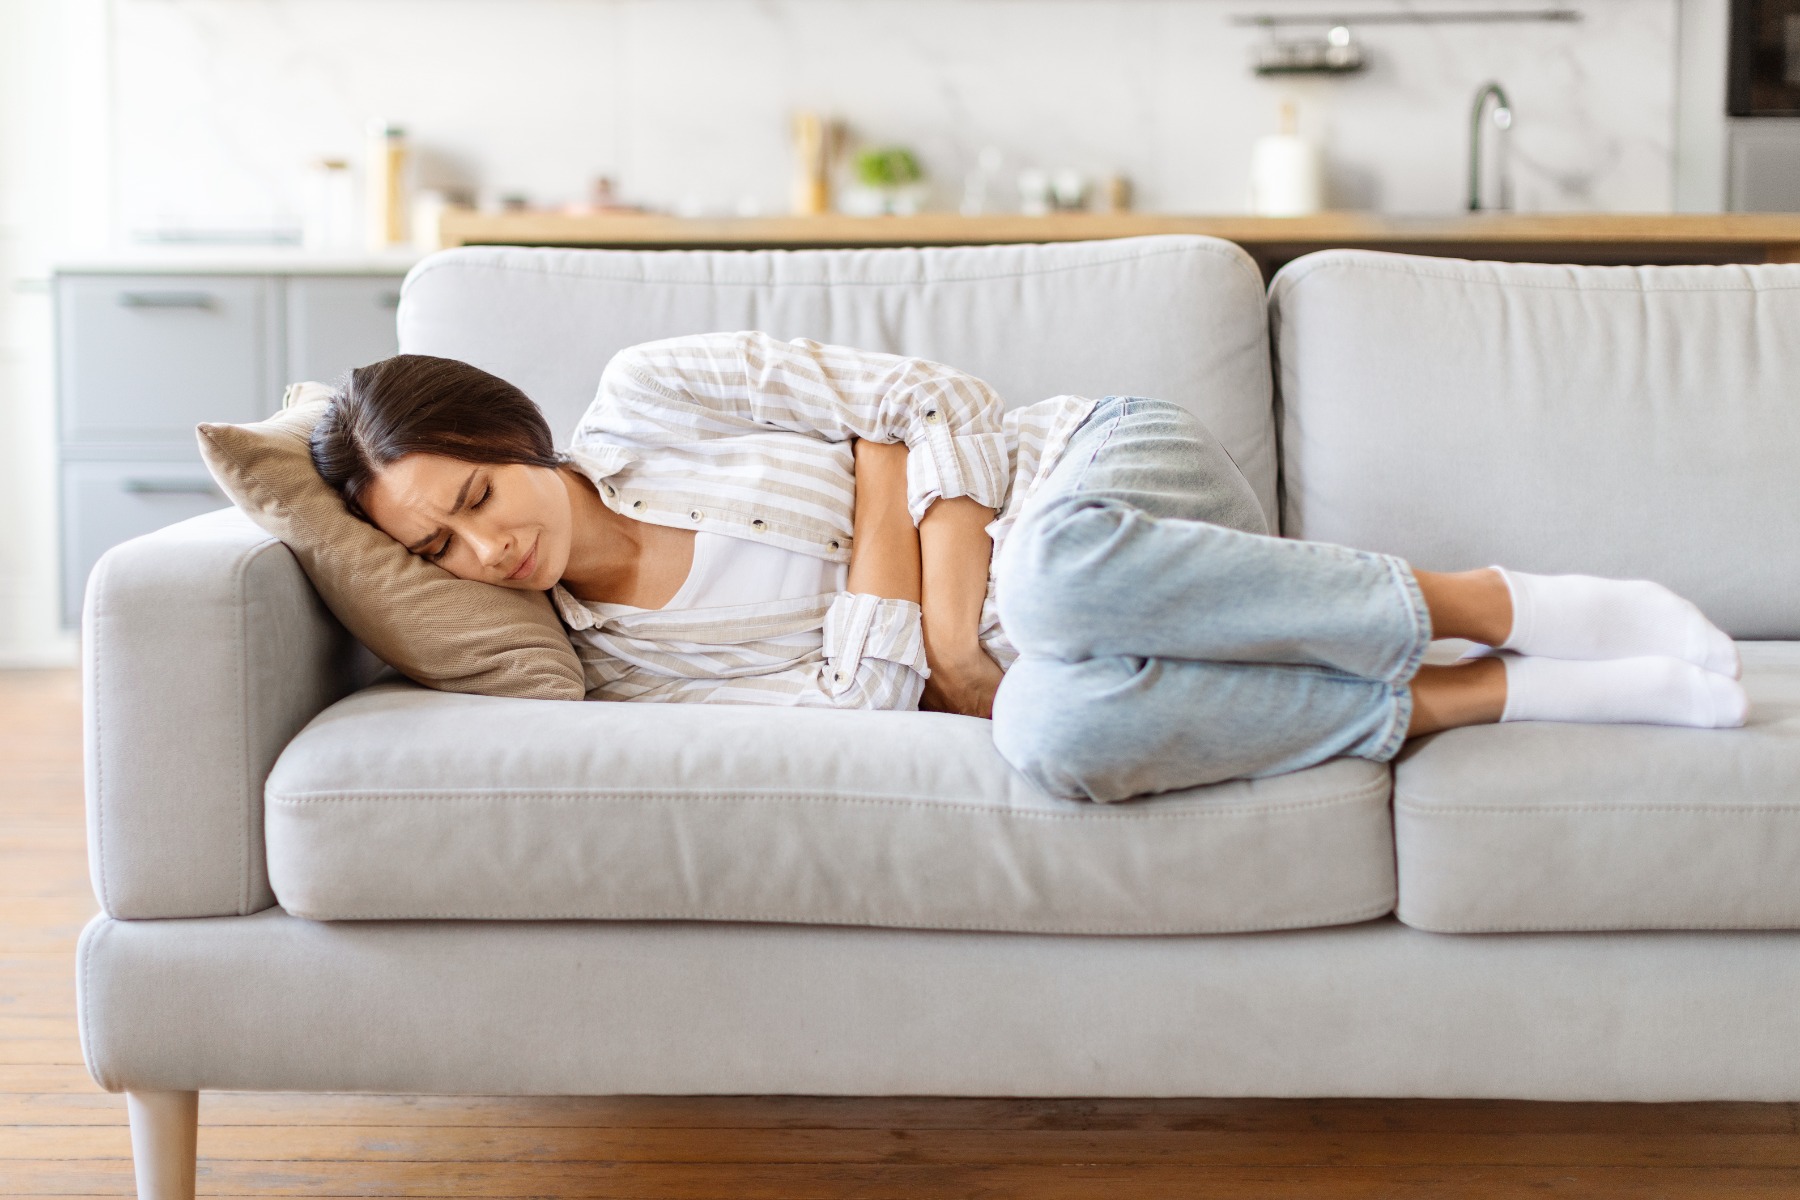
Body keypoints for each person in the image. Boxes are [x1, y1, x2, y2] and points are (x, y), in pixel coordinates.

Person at [311, 331, 1749, 804]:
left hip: (1096, 480)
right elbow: (853, 717)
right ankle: (1484, 696)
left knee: (1051, 588)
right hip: (1054, 655)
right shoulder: (614, 669)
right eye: (439, 549)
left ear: (509, 432)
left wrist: (943, 637)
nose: (487, 550)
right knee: (1057, 734)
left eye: (478, 495)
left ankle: (1497, 604)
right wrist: (889, 490)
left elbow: (936, 403)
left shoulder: (657, 394)